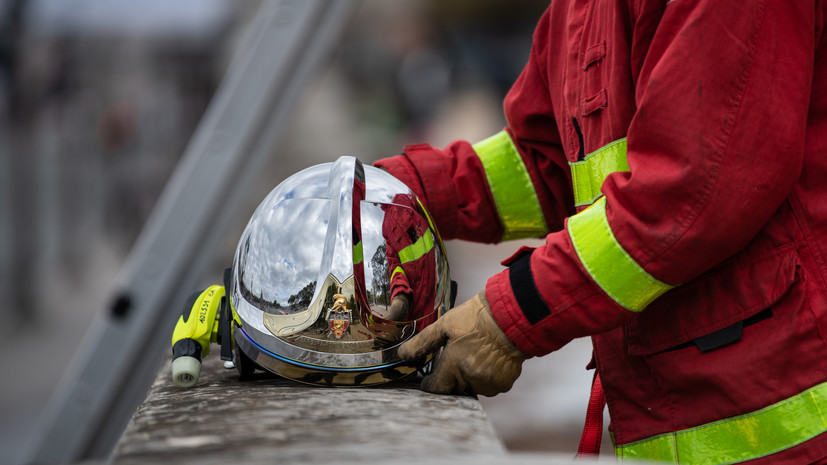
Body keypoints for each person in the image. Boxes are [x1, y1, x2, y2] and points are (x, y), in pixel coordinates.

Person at [375, 2, 827, 463]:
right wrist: (398, 190)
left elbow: (692, 194)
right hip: (689, 412)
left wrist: (507, 318)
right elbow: (550, 163)